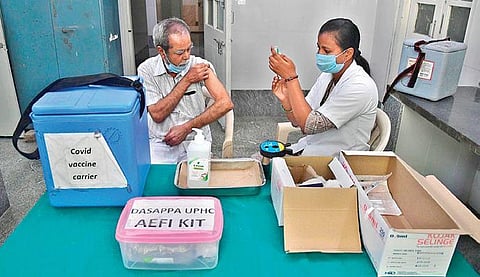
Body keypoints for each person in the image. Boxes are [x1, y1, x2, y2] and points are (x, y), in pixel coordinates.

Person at [268, 18, 378, 157]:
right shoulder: (328, 75)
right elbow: (298, 121)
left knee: (266, 169)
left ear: (348, 54)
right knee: (261, 161)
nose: (320, 54)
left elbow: (309, 125)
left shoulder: (360, 87)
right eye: (318, 47)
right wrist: (286, 101)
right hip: (313, 149)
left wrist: (291, 78)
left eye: (326, 50)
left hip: (339, 162)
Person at [138, 17, 233, 163]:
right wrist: (187, 79)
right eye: (180, 52)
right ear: (162, 52)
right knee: (156, 181)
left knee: (197, 178)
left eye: (189, 49)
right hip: (160, 142)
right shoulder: (146, 70)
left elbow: (225, 103)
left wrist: (187, 128)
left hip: (195, 140)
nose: (187, 57)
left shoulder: (200, 66)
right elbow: (157, 114)